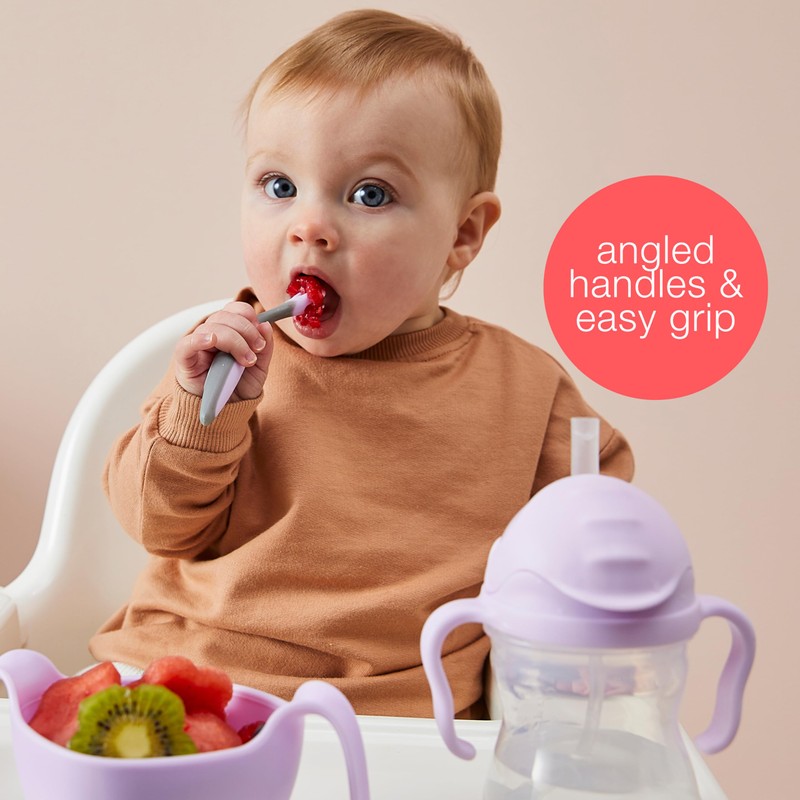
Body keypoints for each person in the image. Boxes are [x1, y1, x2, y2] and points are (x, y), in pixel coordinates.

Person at [90, 9, 633, 718]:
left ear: (463, 234)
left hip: (403, 724)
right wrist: (201, 410)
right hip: (191, 689)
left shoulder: (525, 391)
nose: (307, 227)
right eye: (279, 186)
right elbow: (158, 524)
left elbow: (598, 528)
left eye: (369, 194)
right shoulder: (227, 355)